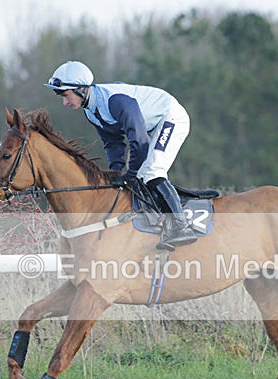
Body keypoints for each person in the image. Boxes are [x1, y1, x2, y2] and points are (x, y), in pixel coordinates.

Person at [44, 60, 197, 250]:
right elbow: (113, 143)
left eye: (66, 96)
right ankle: (157, 223)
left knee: (151, 172)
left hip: (170, 117)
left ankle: (181, 227)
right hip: (152, 126)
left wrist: (130, 174)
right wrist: (116, 173)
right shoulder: (90, 112)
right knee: (142, 175)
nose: (65, 102)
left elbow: (139, 142)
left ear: (82, 90)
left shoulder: (115, 101)